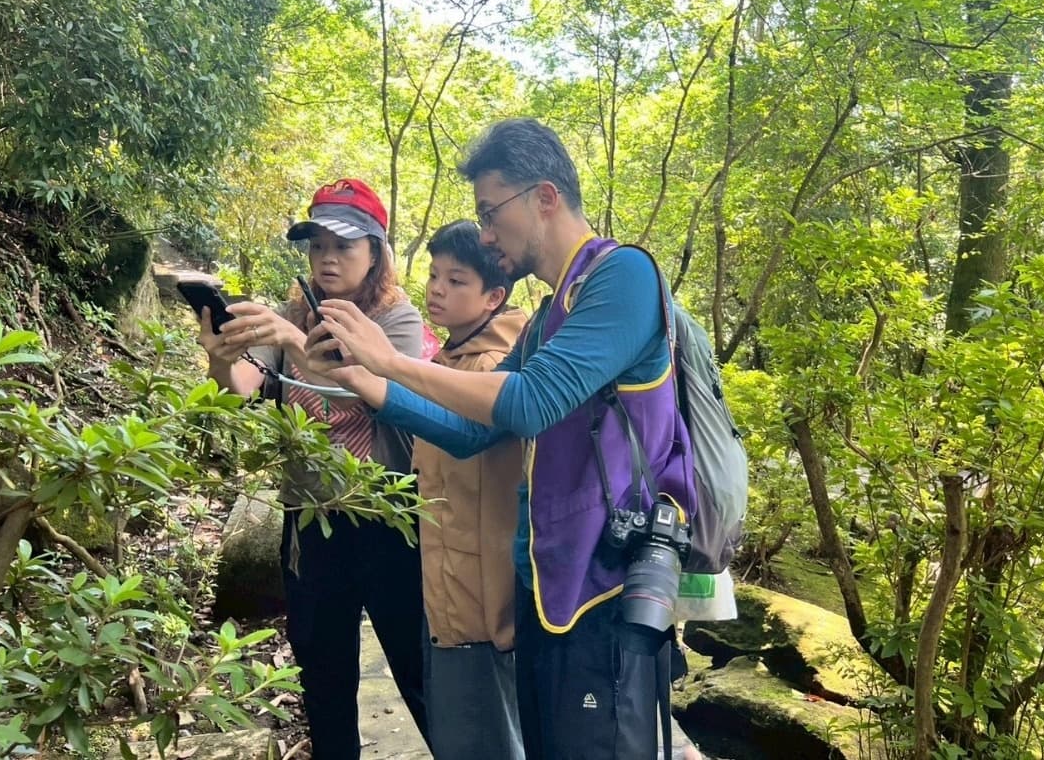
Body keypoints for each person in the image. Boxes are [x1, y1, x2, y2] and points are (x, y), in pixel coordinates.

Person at [303, 120, 695, 760]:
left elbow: (533, 402)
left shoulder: (623, 277)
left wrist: (394, 361)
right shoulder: (550, 314)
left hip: (606, 596)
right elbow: (472, 433)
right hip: (547, 591)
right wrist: (362, 378)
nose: (485, 233)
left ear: (544, 197)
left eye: (491, 212)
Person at [195, 178, 430, 759]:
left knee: (417, 670)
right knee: (323, 675)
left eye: (343, 245)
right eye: (316, 243)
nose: (326, 256)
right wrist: (219, 357)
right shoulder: (291, 312)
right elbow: (242, 390)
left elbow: (370, 391)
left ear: (377, 252)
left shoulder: (396, 321)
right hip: (310, 520)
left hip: (386, 517)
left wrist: (295, 343)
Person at [415, 221, 528, 760]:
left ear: (494, 296)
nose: (437, 289)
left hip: (482, 609)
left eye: (456, 280)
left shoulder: (487, 374)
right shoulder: (449, 363)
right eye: (435, 275)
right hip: (452, 596)